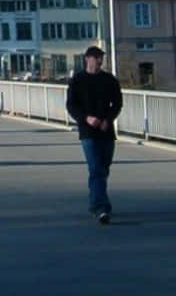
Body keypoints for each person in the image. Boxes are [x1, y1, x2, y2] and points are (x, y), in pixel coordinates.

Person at [65, 45, 123, 224]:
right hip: (88, 132)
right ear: (87, 59)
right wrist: (85, 118)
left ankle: (96, 202)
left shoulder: (109, 80)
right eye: (96, 57)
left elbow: (118, 103)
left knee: (103, 169)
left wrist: (108, 119)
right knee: (96, 168)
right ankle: (101, 208)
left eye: (101, 58)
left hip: (106, 132)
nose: (99, 61)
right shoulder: (78, 80)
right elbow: (71, 105)